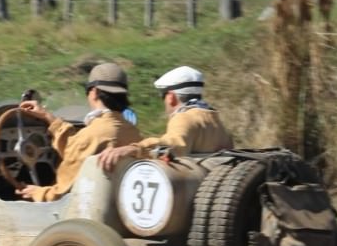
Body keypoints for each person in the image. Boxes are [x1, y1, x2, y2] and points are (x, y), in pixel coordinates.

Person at [16, 62, 141, 201]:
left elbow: (61, 192)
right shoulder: (133, 132)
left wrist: (37, 193)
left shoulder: (91, 135)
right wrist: (47, 116)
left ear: (94, 93)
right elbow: (74, 147)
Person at [98, 65, 233, 171]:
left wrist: (135, 148)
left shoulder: (184, 118)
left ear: (170, 97)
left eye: (163, 96)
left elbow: (173, 145)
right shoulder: (217, 121)